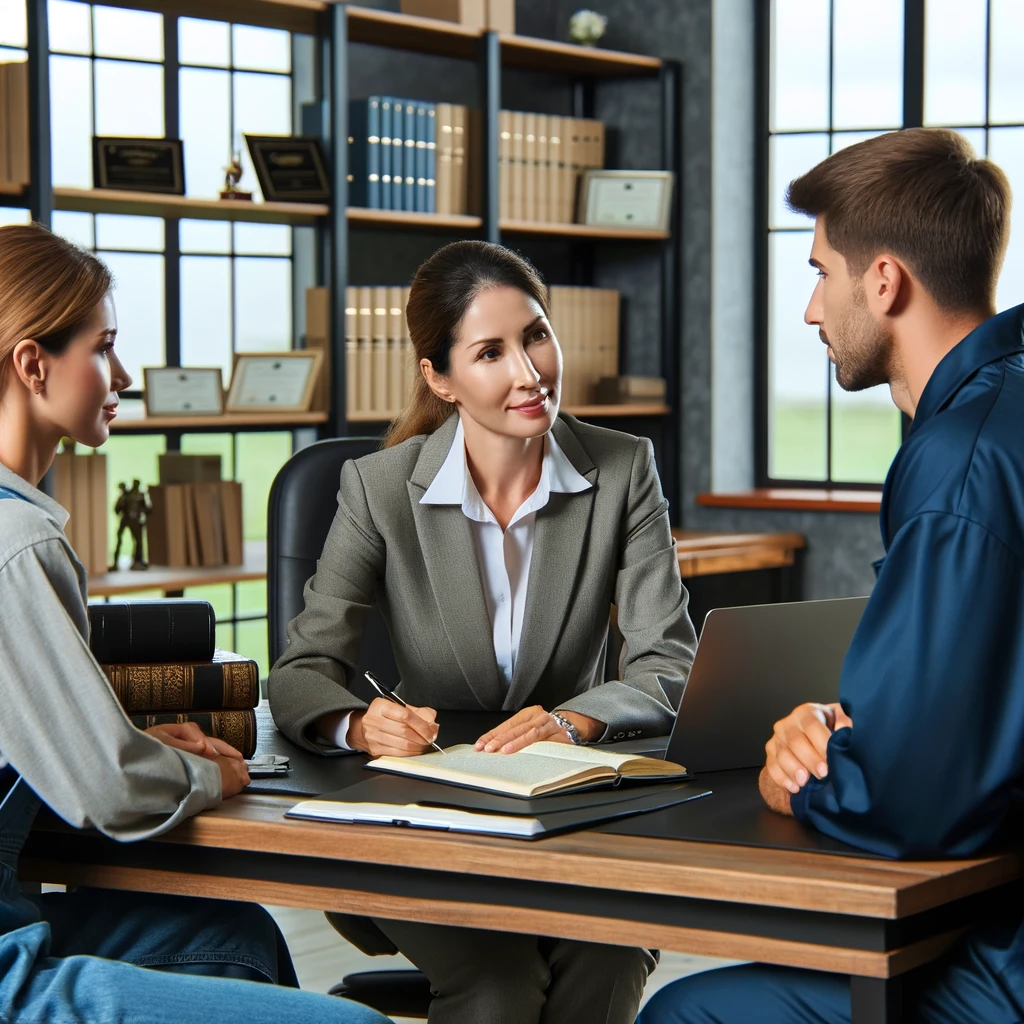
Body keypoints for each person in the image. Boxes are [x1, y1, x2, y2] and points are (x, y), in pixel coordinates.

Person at [639, 128, 1024, 1023]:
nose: (812, 310)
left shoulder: (959, 463)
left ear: (883, 281)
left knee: (683, 1016)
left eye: (820, 272)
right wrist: (850, 725)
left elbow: (909, 805)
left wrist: (806, 771)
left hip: (1006, 966)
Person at [269, 239, 697, 1024]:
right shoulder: (380, 488)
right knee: (500, 985)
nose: (530, 373)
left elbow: (668, 660)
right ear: (441, 379)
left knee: (608, 951)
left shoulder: (624, 469)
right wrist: (358, 723)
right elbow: (301, 669)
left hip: (571, 816)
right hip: (429, 819)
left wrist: (575, 718)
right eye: (491, 352)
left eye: (536, 335)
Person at [0, 223, 391, 1024]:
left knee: (239, 940)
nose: (124, 374)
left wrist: (134, 745)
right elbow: (107, 791)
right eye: (103, 348)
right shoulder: (17, 545)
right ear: (33, 364)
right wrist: (213, 773)